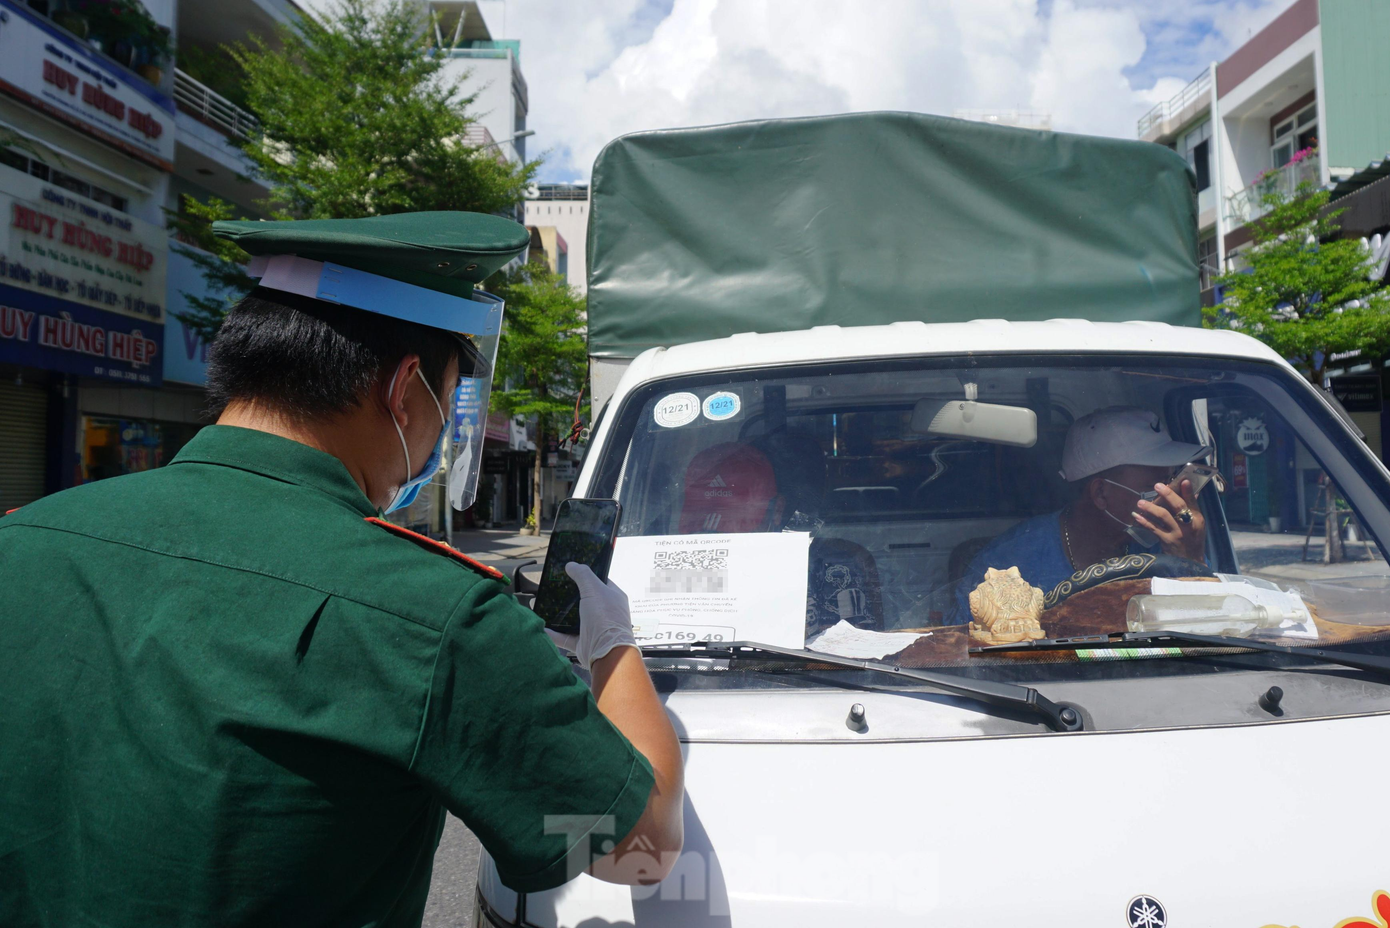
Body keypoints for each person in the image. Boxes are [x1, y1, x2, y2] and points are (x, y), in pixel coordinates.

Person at [0, 212, 683, 927]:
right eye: (447, 404)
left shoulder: (24, 542)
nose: (440, 432)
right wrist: (612, 643)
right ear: (404, 391)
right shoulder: (438, 617)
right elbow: (638, 845)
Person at [953, 406, 1208, 620]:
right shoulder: (1009, 564)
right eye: (1155, 488)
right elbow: (964, 649)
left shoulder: (1170, 545)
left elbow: (1212, 628)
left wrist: (1190, 561)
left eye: (1171, 480)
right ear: (1100, 494)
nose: (1169, 497)